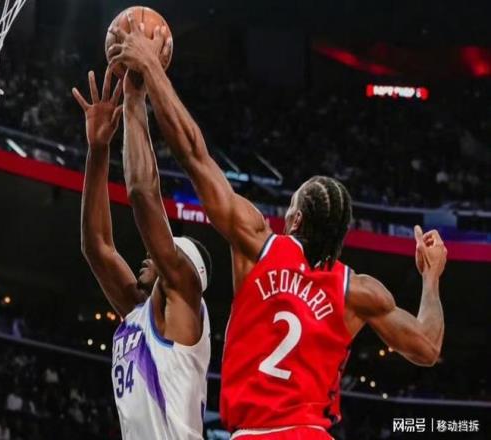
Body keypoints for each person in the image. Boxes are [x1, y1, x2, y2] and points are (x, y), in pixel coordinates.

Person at [108, 15, 446, 439]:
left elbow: (194, 154)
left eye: (290, 207)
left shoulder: (258, 244)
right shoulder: (358, 291)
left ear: (297, 219)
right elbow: (428, 347)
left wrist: (150, 71)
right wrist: (431, 276)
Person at [73, 68, 212, 440]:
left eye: (166, 253)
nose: (151, 254)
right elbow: (97, 247)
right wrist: (98, 150)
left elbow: (142, 195)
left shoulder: (185, 303)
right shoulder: (138, 313)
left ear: (184, 270)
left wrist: (135, 98)